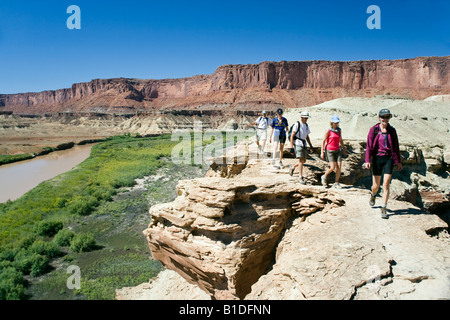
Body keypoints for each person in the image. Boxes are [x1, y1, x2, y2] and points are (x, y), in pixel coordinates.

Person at [364, 108, 402, 219]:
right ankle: (373, 194)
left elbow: (396, 146)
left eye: (387, 117)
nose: (385, 119)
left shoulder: (392, 130)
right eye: (383, 117)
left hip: (388, 159)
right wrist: (367, 160)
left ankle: (384, 207)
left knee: (386, 184)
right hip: (377, 159)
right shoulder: (373, 130)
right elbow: (369, 146)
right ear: (379, 118)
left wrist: (398, 161)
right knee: (375, 186)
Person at [320, 115, 347, 188]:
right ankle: (324, 176)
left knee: (339, 166)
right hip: (330, 150)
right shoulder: (328, 130)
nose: (336, 124)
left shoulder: (339, 130)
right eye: (335, 122)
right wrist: (322, 152)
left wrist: (344, 148)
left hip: (337, 150)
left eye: (337, 122)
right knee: (332, 167)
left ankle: (336, 182)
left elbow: (340, 140)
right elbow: (323, 141)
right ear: (332, 122)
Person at [288, 111, 314, 184]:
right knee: (301, 160)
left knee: (303, 161)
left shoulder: (306, 125)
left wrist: (310, 145)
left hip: (304, 144)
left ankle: (292, 167)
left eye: (307, 118)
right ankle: (300, 177)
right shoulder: (297, 124)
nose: (306, 119)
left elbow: (307, 136)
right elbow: (292, 135)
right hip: (298, 143)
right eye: (305, 118)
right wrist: (291, 147)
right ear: (302, 117)